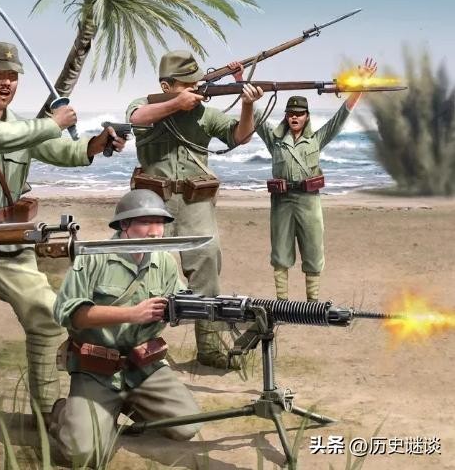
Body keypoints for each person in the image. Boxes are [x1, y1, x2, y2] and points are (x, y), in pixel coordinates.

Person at [0, 41, 126, 419]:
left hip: (11, 244)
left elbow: (60, 151)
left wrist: (96, 144)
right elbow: (5, 137)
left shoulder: (22, 126)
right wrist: (53, 123)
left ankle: (47, 414)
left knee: (47, 318)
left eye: (12, 76)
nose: (6, 83)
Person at [126, 50, 263, 369]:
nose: (196, 88)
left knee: (207, 269)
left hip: (195, 201)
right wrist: (176, 104)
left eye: (197, 82)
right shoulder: (145, 105)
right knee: (141, 272)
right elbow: (136, 118)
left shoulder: (206, 114)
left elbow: (240, 136)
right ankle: (136, 344)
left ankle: (209, 348)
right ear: (166, 86)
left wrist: (247, 105)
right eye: (187, 84)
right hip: (152, 202)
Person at [49, 189, 201, 467]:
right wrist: (132, 314)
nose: (155, 231)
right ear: (124, 225)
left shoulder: (164, 261)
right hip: (96, 369)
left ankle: (128, 404)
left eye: (160, 223)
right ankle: (63, 412)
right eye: (145, 222)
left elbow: (180, 301)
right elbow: (67, 313)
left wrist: (202, 307)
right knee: (84, 455)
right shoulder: (93, 257)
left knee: (186, 427)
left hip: (143, 366)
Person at [252, 58, 377, 301]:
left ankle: (313, 303)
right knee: (280, 252)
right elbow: (255, 115)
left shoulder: (316, 139)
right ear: (286, 116)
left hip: (308, 201)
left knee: (313, 248)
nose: (295, 117)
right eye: (291, 114)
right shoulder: (275, 139)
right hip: (282, 201)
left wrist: (360, 84)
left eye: (299, 114)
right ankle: (282, 302)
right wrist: (240, 83)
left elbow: (342, 116)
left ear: (307, 117)